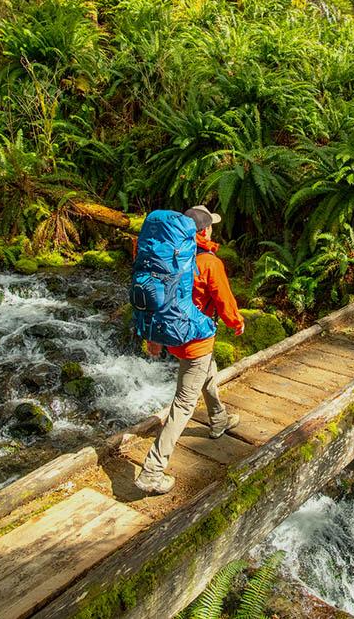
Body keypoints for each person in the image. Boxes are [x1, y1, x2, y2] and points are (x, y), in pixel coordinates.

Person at [135, 205, 245, 495]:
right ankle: (152, 470)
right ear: (205, 230)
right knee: (184, 404)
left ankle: (218, 419)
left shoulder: (167, 257)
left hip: (172, 336)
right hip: (196, 339)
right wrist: (237, 322)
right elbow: (224, 299)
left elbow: (154, 299)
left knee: (206, 372)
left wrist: (153, 337)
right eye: (211, 226)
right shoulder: (209, 262)